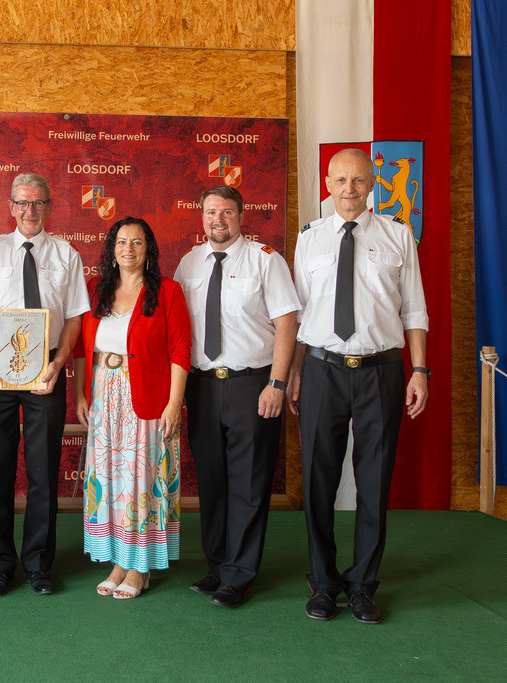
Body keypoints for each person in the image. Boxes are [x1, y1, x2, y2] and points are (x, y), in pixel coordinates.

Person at [287, 148, 429, 624]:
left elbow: (414, 311)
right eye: (341, 180)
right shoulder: (308, 240)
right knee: (318, 479)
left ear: (373, 184)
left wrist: (420, 370)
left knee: (374, 480)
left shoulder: (397, 236)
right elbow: (301, 316)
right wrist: (293, 372)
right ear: (328, 183)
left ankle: (364, 585)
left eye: (359, 180)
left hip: (381, 372)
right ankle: (324, 583)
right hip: (322, 371)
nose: (349, 189)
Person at [0, 172, 89, 596]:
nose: (29, 211)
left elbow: (74, 319)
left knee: (42, 473)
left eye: (37, 203)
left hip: (46, 371)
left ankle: (38, 565)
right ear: (11, 206)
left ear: (49, 206)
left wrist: (61, 361)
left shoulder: (66, 254)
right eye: (22, 203)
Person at [174, 187, 300, 608]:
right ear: (202, 216)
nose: (218, 220)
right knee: (212, 482)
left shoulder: (267, 260)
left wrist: (277, 384)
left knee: (248, 483)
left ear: (242, 215)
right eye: (211, 212)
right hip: (204, 384)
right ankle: (218, 566)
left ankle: (241, 575)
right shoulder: (188, 263)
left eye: (227, 212)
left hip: (254, 384)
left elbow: (286, 324)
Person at [73, 217, 191, 600]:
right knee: (109, 479)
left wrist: (174, 404)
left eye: (137, 243)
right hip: (104, 398)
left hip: (148, 397)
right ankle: (119, 560)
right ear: (111, 249)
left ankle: (141, 567)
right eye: (121, 242)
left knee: (143, 480)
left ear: (148, 249)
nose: (128, 249)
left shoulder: (168, 292)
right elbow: (80, 351)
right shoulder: (95, 290)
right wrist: (80, 396)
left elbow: (180, 351)